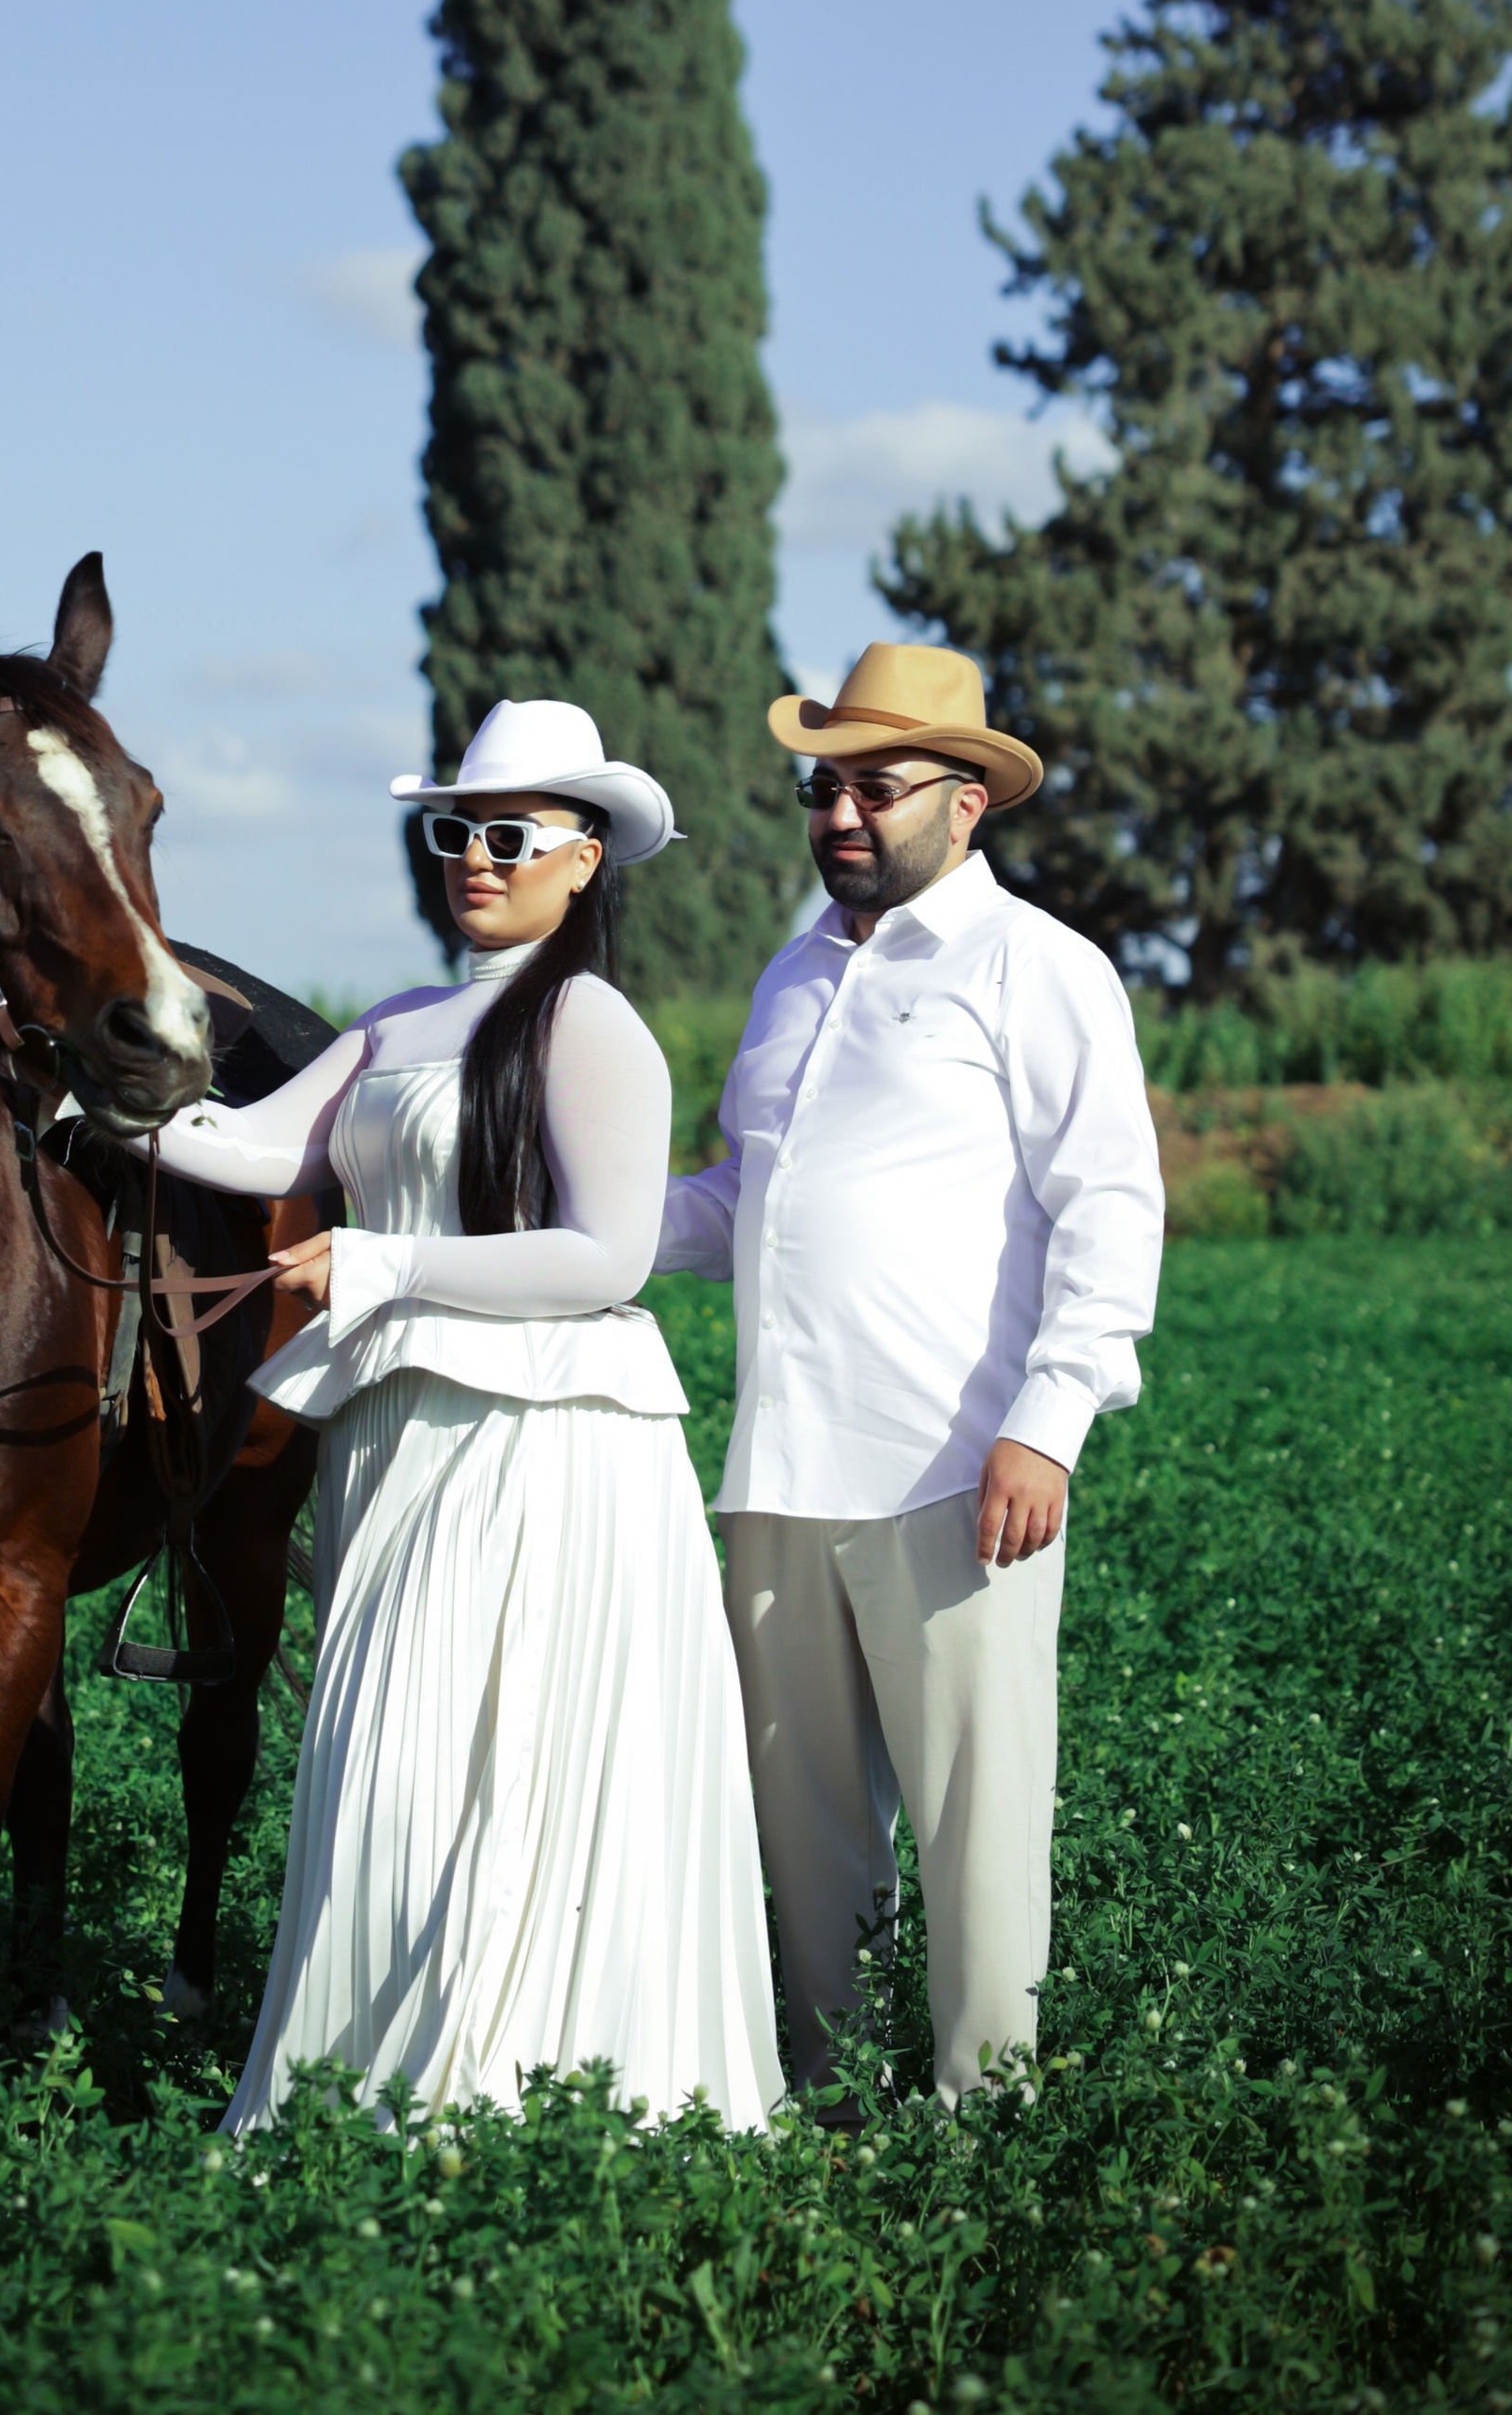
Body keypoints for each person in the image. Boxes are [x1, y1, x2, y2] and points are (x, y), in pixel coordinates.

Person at [149, 697, 782, 2134]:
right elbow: (258, 1146)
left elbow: (608, 1256)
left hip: (547, 1447)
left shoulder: (590, 1023)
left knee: (508, 1775)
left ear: (584, 859)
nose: (475, 859)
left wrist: (383, 1262)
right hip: (397, 1440)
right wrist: (106, 1104)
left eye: (508, 835)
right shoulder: (395, 1026)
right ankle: (377, 2093)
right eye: (454, 832)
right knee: (387, 1777)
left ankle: (517, 2101)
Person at [657, 642, 1164, 2112]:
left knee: (976, 1832)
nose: (840, 816)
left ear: (967, 803)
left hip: (957, 1474)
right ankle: (825, 2111)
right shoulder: (792, 973)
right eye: (825, 787)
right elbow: (732, 1203)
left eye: (875, 787)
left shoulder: (1041, 969)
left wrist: (1050, 1426)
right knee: (801, 1840)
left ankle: (985, 2138)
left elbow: (1111, 1211)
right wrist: (579, 1229)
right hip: (777, 1477)